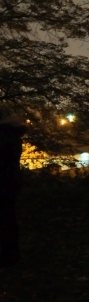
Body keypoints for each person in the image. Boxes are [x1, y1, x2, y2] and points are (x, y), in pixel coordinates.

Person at [0, 106, 25, 267]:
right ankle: (11, 255)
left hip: (4, 182)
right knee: (8, 218)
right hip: (9, 181)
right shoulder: (12, 135)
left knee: (5, 219)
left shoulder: (4, 137)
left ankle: (9, 256)